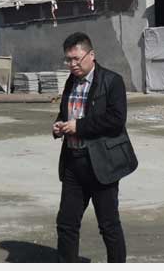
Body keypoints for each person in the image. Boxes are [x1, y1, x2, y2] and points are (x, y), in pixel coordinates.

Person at [52, 32, 138, 263]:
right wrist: (59, 125)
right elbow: (66, 112)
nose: (72, 64)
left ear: (91, 55)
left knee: (108, 225)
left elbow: (116, 120)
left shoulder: (112, 81)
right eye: (68, 59)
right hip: (73, 163)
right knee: (66, 223)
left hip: (101, 164)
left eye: (76, 58)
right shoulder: (71, 81)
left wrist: (79, 126)